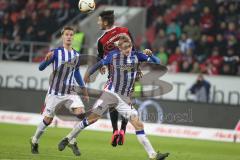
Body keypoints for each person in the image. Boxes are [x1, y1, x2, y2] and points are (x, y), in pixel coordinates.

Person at [58, 35, 169, 160]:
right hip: (110, 94)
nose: (128, 49)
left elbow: (158, 63)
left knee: (138, 125)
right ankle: (68, 138)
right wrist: (88, 74)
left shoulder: (137, 55)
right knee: (92, 119)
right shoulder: (113, 56)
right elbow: (99, 63)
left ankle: (153, 155)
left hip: (124, 98)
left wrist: (151, 55)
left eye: (130, 47)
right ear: (120, 48)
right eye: (125, 47)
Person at [30, 26, 89, 156]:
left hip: (70, 92)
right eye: (66, 34)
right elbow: (41, 68)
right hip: (55, 93)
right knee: (48, 121)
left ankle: (71, 139)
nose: (69, 36)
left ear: (73, 37)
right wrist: (46, 60)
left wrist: (84, 90)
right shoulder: (55, 53)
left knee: (81, 114)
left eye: (71, 34)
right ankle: (34, 140)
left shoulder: (76, 55)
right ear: (62, 36)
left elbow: (77, 73)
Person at [97, 10, 135, 147]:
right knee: (127, 101)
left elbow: (101, 58)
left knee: (112, 103)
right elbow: (133, 49)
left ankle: (115, 131)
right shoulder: (125, 30)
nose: (98, 23)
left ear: (105, 22)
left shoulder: (101, 40)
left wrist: (101, 66)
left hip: (114, 75)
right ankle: (123, 131)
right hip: (130, 72)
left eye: (99, 20)